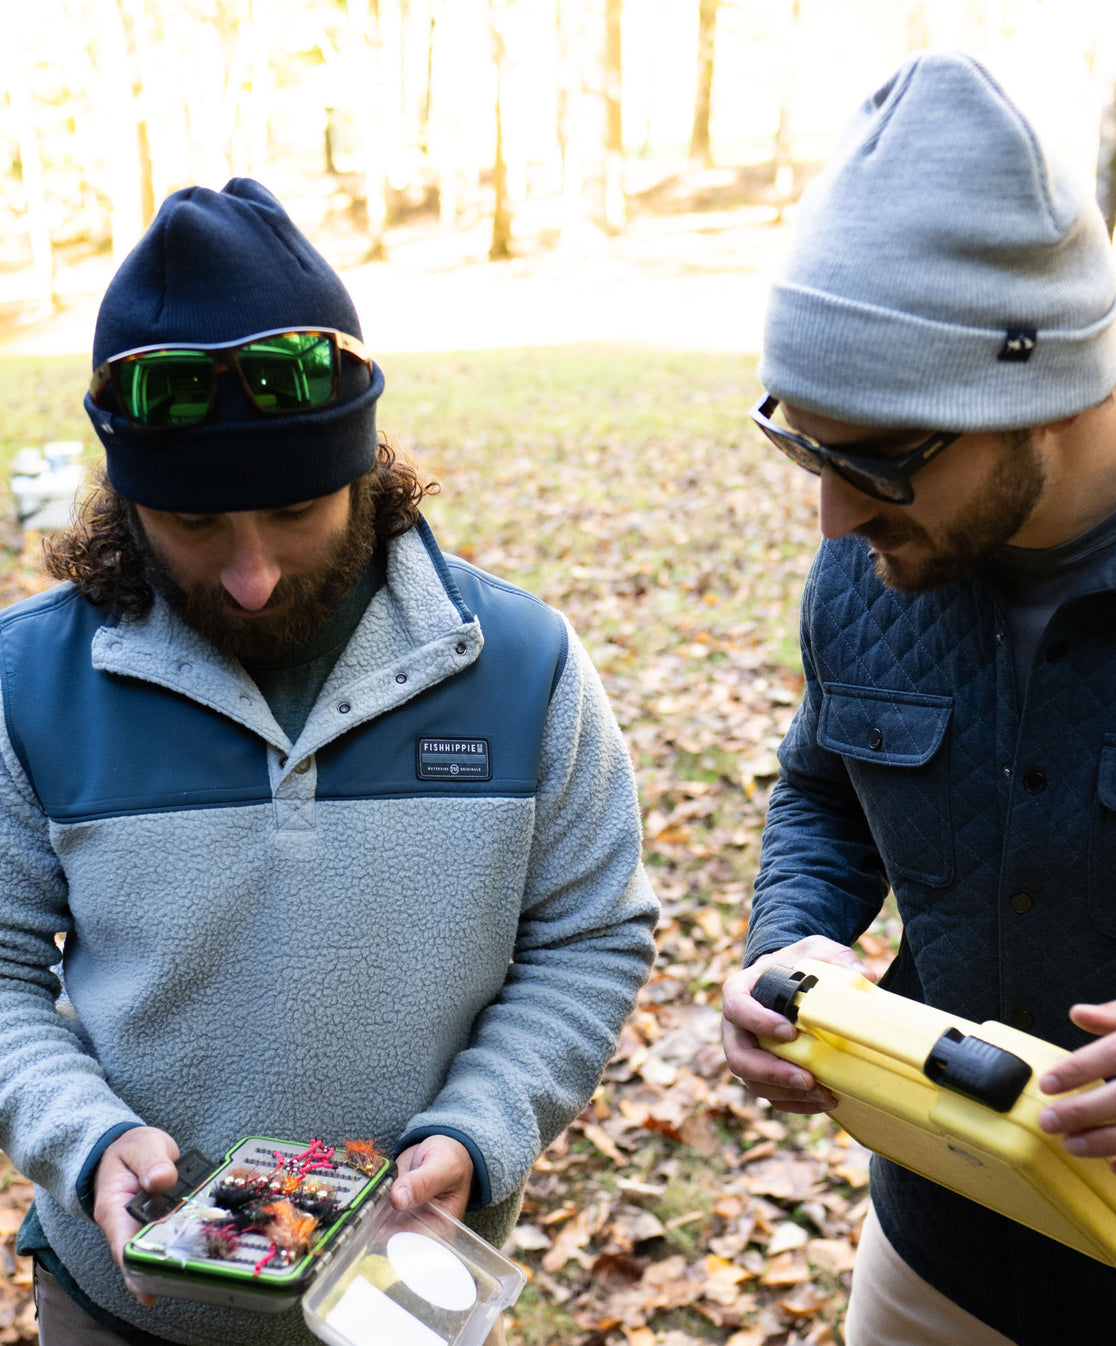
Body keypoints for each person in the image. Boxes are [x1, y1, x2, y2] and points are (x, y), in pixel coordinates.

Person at [720, 50, 1116, 1346]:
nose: (831, 514)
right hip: (933, 1255)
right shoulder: (871, 557)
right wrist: (793, 938)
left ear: (1042, 389)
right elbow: (823, 787)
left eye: (876, 459)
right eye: (800, 440)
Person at [1, 177, 658, 1346]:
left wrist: (478, 1126)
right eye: (196, 527)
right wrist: (86, 1136)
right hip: (121, 1310)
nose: (249, 573)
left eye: (295, 509)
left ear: (364, 465)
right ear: (129, 499)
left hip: (400, 1307)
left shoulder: (520, 663)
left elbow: (589, 934)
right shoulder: (26, 683)